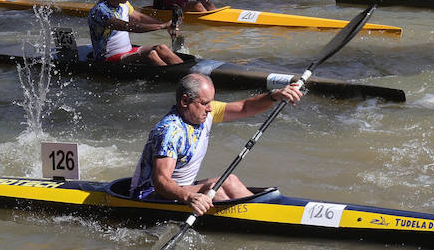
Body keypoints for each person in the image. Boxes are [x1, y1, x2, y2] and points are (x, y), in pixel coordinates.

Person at [128, 72, 303, 210]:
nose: (210, 108)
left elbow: (244, 107)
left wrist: (274, 96)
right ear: (185, 101)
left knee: (230, 180)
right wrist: (190, 197)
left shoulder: (205, 112)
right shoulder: (170, 132)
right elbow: (161, 181)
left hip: (183, 188)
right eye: (205, 103)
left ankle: (264, 212)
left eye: (211, 101)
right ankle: (256, 218)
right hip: (150, 197)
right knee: (214, 190)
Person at [87, 0, 184, 65]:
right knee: (151, 54)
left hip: (128, 51)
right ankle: (174, 77)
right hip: (108, 58)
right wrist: (162, 26)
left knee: (162, 48)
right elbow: (129, 26)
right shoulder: (100, 11)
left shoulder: (124, 4)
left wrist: (167, 26)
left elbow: (140, 18)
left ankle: (189, 70)